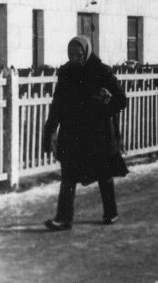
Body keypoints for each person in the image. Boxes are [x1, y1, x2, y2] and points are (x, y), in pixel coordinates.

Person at [41, 36, 129, 230]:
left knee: (104, 174)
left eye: (78, 55)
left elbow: (121, 100)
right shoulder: (66, 73)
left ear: (87, 52)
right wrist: (51, 127)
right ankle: (63, 219)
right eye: (71, 55)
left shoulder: (101, 71)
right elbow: (58, 103)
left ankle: (111, 212)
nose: (74, 59)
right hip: (72, 132)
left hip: (98, 133)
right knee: (68, 176)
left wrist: (102, 109)